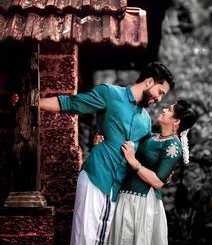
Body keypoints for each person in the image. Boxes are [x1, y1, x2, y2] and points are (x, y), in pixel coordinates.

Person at [38, 62, 175, 245]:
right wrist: (34, 103)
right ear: (149, 81)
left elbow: (146, 155)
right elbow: (71, 103)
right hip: (97, 176)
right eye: (160, 92)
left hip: (118, 189)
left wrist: (163, 171)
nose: (159, 99)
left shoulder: (146, 121)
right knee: (85, 239)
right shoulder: (110, 94)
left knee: (103, 240)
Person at [94, 100, 197, 245]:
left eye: (169, 109)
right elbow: (127, 145)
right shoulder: (151, 136)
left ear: (176, 121)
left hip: (141, 202)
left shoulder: (173, 145)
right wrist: (105, 140)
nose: (164, 109)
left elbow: (157, 181)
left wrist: (133, 161)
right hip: (124, 195)